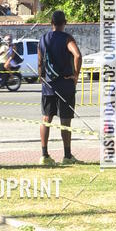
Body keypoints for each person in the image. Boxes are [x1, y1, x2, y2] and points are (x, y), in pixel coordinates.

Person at [38, 10, 82, 165]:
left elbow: (40, 62)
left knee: (46, 119)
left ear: (51, 23)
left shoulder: (43, 39)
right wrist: (75, 75)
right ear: (65, 23)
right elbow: (77, 55)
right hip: (65, 85)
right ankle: (67, 156)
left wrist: (42, 77)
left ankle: (44, 155)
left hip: (48, 85)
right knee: (65, 121)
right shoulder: (67, 38)